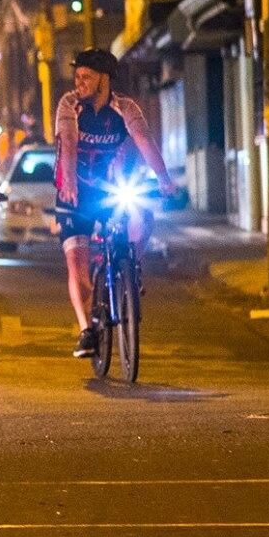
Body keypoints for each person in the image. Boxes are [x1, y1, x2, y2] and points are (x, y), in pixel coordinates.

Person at [54, 48, 173, 358]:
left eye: (86, 77)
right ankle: (86, 330)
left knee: (142, 218)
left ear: (104, 79)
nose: (79, 82)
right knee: (77, 262)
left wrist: (164, 179)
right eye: (77, 76)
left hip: (109, 188)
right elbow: (69, 143)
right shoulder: (69, 104)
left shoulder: (125, 107)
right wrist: (69, 182)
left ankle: (132, 266)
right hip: (74, 191)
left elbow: (144, 140)